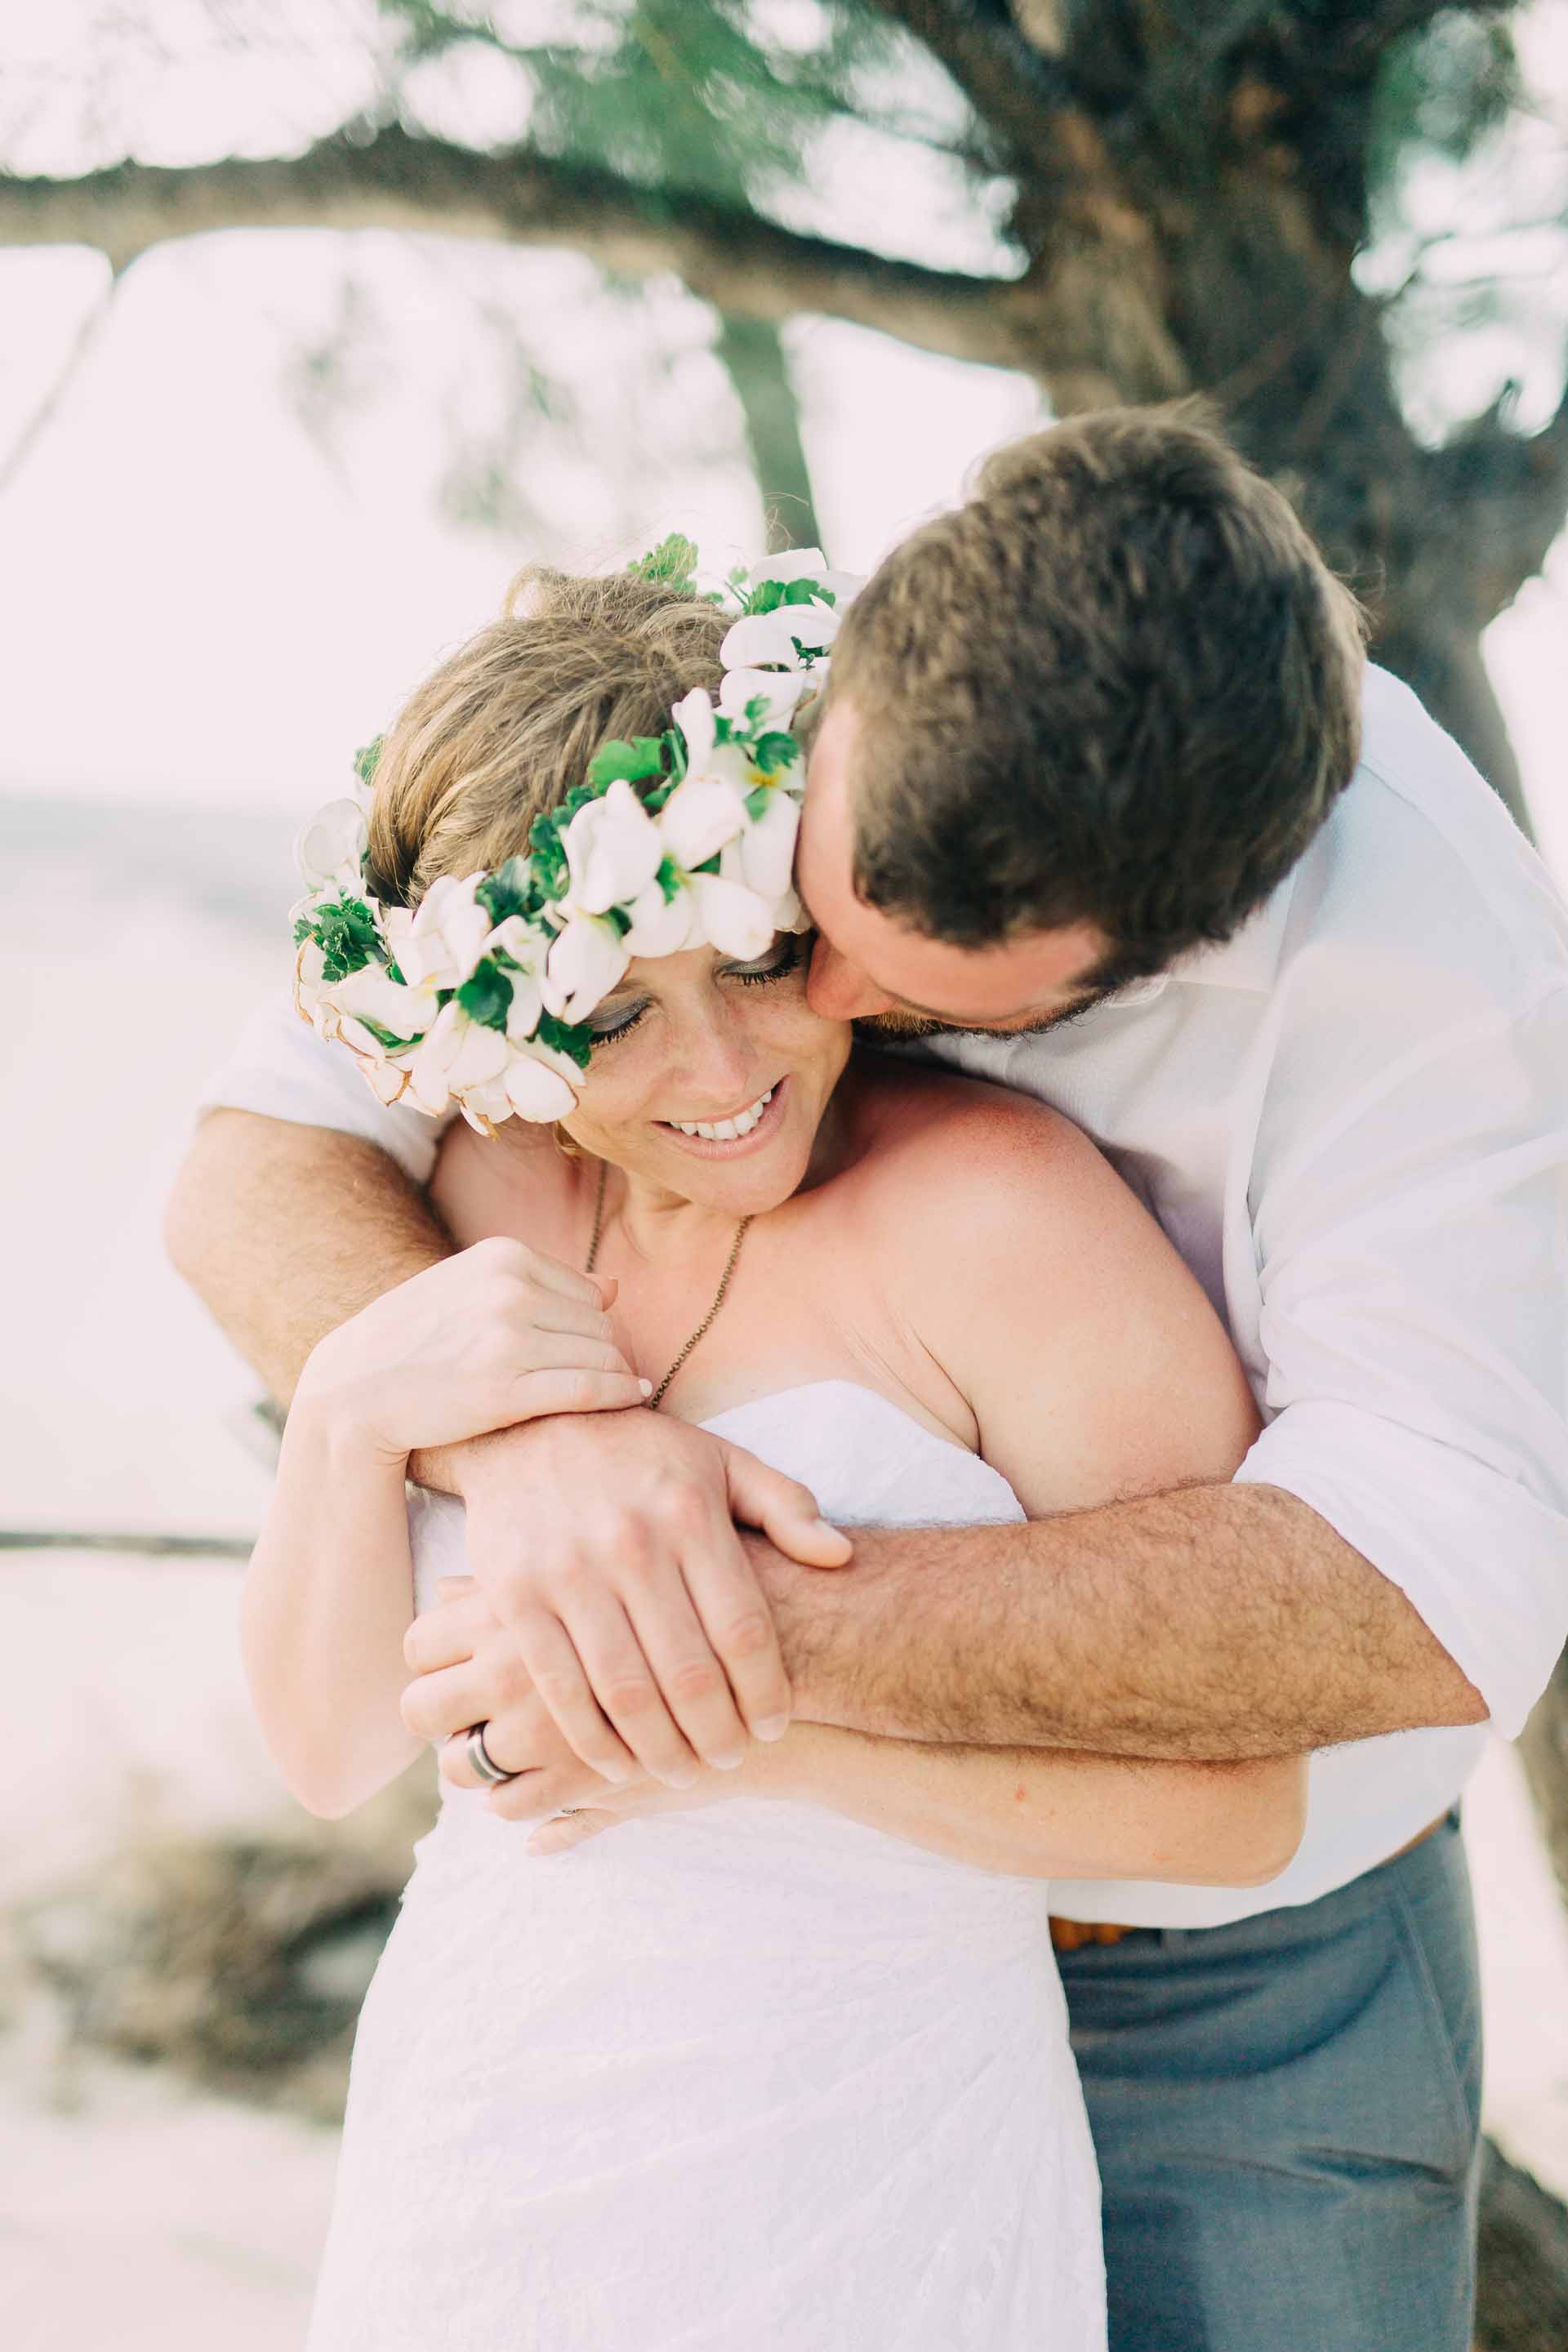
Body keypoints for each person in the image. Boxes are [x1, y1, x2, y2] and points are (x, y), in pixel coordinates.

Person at [169, 408, 1568, 2352]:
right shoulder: (726, 731)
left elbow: (1428, 1586)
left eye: (858, 976)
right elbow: (269, 1148)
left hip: (1240, 1968)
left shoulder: (1426, 987)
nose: (793, 1009)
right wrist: (540, 1442)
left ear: (1147, 961)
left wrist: (688, 1648)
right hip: (593, 2076)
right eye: (790, 902)